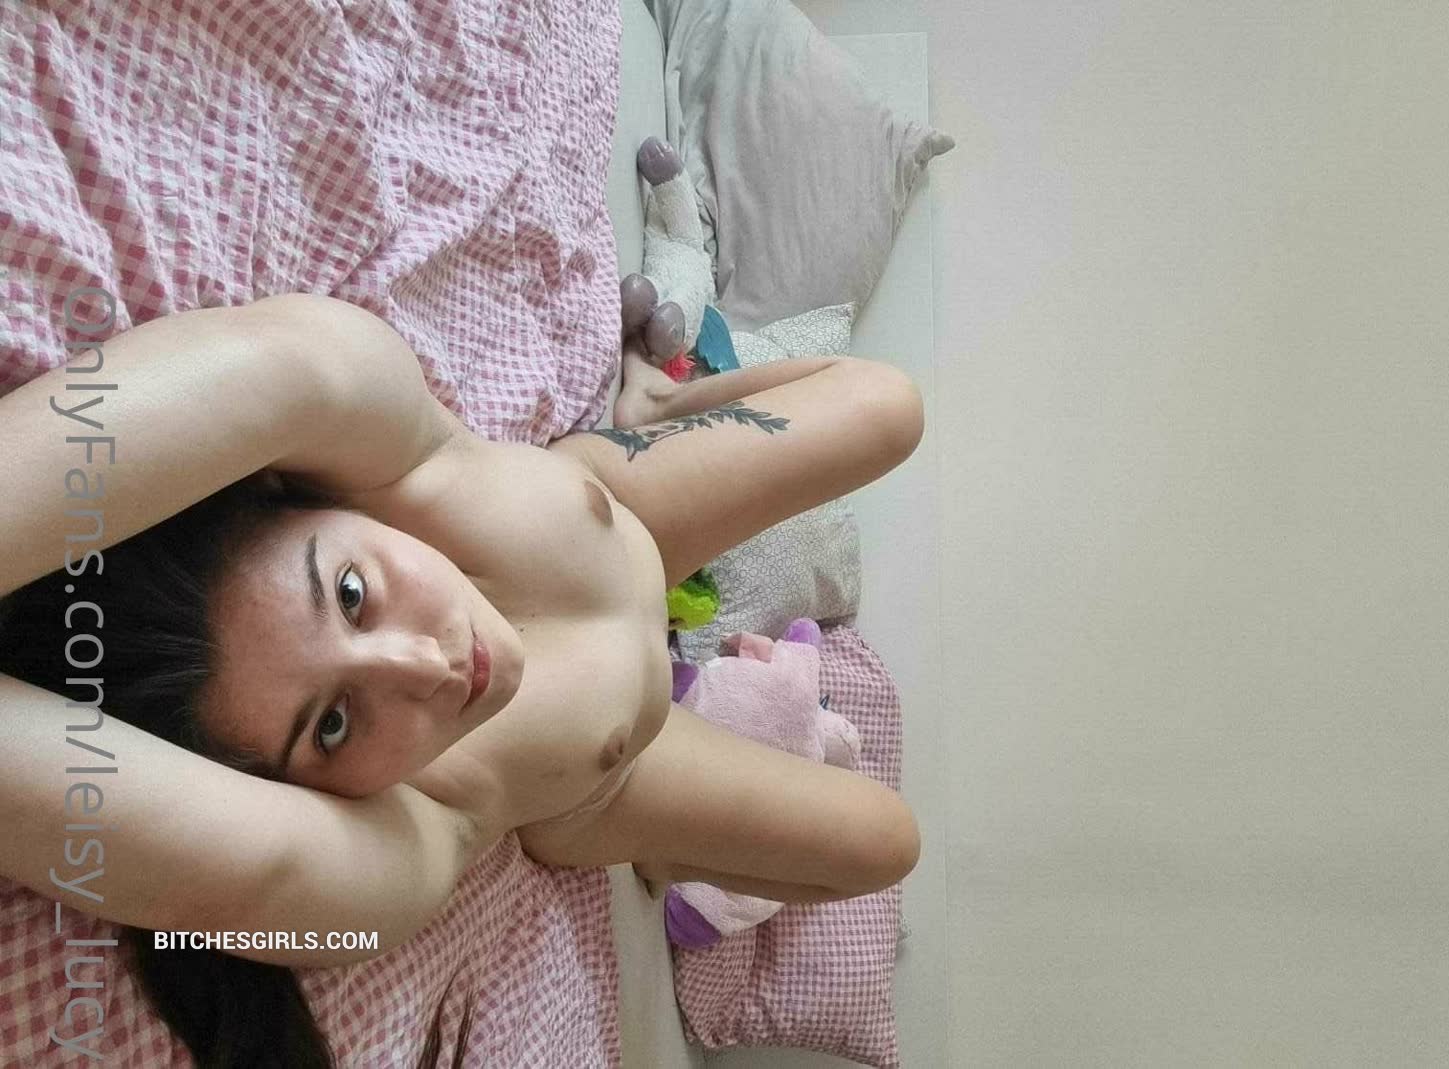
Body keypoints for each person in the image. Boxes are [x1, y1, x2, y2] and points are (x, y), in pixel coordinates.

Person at [0, 291, 922, 1063]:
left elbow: (277, 374)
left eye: (351, 594)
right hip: (613, 777)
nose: (428, 667)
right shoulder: (413, 844)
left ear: (287, 490)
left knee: (891, 406)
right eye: (333, 725)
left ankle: (656, 401)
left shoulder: (383, 433)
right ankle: (663, 847)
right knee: (885, 843)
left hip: (625, 508)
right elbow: (261, 871)